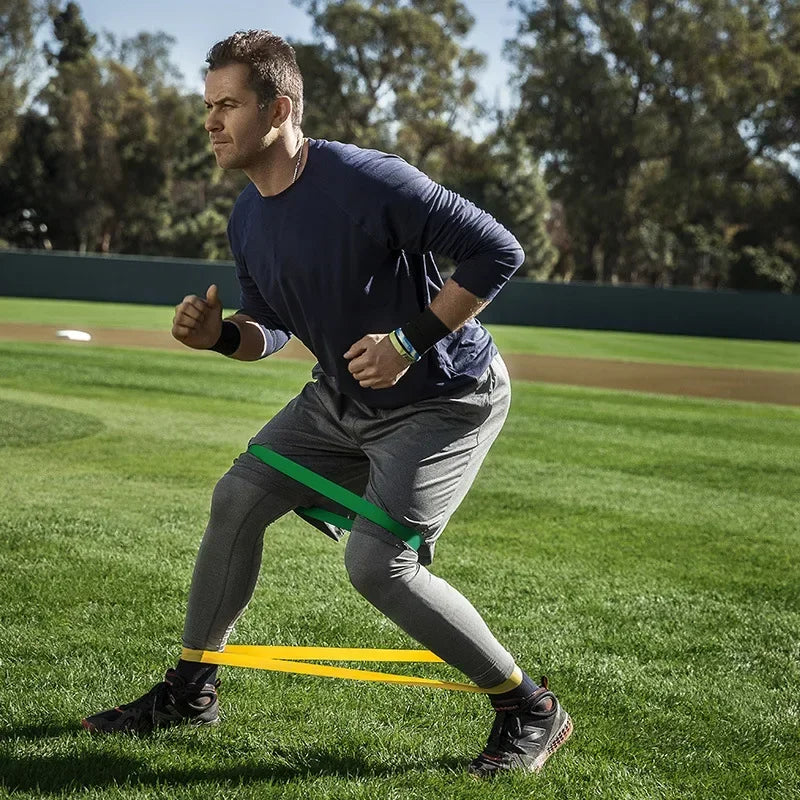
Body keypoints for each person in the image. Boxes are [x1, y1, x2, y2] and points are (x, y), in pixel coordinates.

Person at [81, 29, 572, 777]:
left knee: (379, 567)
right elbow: (271, 327)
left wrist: (407, 340)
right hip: (340, 399)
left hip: (445, 398)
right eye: (206, 105)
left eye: (227, 105)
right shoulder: (248, 214)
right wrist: (221, 337)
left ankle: (530, 709)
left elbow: (498, 251)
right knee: (237, 497)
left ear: (278, 107)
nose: (210, 121)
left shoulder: (367, 180)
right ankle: (191, 691)